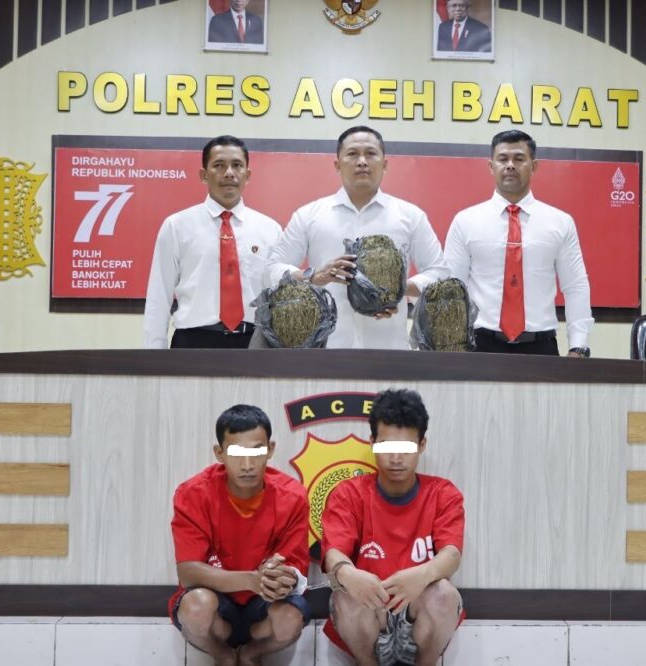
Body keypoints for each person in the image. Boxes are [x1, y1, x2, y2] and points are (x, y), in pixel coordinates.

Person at [264, 126, 450, 349]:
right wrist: (314, 276)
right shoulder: (309, 215)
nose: (362, 161)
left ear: (385, 164)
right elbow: (272, 271)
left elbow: (440, 275)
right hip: (326, 349)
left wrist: (398, 288)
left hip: (389, 349)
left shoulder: (410, 216)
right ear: (337, 165)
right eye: (352, 154)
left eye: (370, 153)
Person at [321, 389, 465, 666]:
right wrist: (347, 573)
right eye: (386, 446)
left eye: (407, 448)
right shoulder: (348, 493)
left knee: (444, 594)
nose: (396, 458)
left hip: (418, 612)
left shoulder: (442, 493)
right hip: (372, 614)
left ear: (422, 444)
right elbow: (333, 553)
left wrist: (422, 575)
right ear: (372, 442)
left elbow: (452, 554)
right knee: (344, 597)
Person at [169, 404, 310, 666]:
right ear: (219, 453)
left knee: (290, 619)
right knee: (195, 608)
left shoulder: (293, 496)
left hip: (265, 606)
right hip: (217, 606)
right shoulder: (193, 494)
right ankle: (222, 656)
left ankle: (250, 655)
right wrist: (251, 580)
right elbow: (188, 572)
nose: (247, 465)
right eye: (236, 453)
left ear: (270, 449)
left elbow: (295, 570)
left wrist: (281, 577)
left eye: (256, 451)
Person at [444, 130, 593, 356]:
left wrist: (578, 346)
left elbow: (575, 286)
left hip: (540, 347)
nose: (510, 165)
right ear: (491, 166)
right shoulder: (465, 221)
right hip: (479, 346)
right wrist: (450, 344)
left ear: (534, 166)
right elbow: (451, 289)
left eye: (519, 159)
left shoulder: (560, 222)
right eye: (503, 159)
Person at [144, 136, 281, 349]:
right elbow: (159, 297)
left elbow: (281, 297)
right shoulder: (177, 226)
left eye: (237, 165)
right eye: (219, 165)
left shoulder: (270, 229)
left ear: (248, 175)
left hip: (255, 343)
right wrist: (154, 355)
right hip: (193, 342)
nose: (229, 173)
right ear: (203, 175)